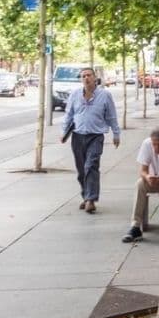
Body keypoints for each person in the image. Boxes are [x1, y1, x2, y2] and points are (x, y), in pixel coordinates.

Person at [60, 68, 120, 214]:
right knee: (81, 171)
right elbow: (69, 114)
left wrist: (116, 134)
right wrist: (63, 132)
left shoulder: (105, 95)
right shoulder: (75, 94)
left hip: (96, 136)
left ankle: (91, 199)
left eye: (89, 75)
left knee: (91, 166)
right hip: (77, 136)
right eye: (83, 76)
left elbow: (111, 116)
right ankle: (86, 196)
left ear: (95, 78)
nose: (86, 78)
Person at [122, 127, 159, 242]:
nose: (156, 148)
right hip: (155, 179)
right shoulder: (147, 144)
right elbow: (143, 170)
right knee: (140, 184)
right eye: (154, 144)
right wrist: (148, 177)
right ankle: (135, 226)